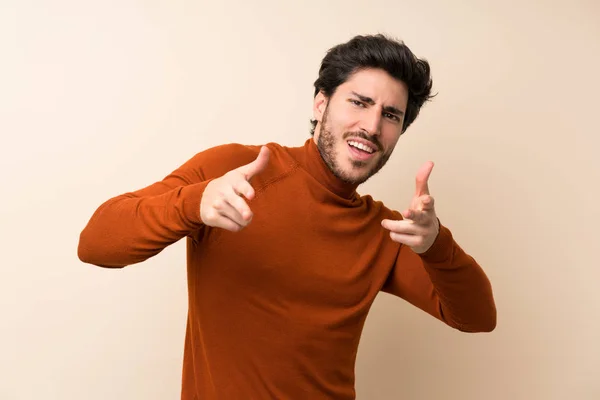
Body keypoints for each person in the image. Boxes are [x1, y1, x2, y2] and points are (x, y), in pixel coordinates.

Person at [78, 33, 496, 399]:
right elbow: (96, 243)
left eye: (391, 115)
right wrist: (194, 203)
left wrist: (435, 242)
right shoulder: (234, 172)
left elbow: (478, 318)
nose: (371, 126)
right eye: (359, 102)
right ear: (320, 103)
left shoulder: (382, 232)